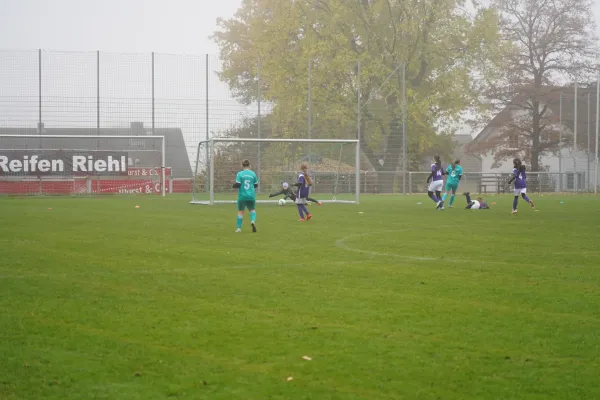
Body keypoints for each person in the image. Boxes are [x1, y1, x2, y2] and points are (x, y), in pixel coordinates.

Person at [233, 159, 258, 232]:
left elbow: (238, 185)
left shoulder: (240, 174)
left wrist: (233, 186)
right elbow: (256, 185)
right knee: (252, 210)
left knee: (240, 211)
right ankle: (253, 221)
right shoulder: (253, 174)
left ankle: (238, 228)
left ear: (242, 165)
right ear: (249, 165)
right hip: (251, 195)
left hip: (242, 196)